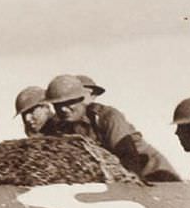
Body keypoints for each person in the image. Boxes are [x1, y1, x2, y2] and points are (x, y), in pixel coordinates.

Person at [41, 74, 180, 182]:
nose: (64, 109)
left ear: (82, 99)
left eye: (69, 102)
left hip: (154, 175)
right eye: (57, 105)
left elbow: (128, 157)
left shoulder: (107, 117)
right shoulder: (63, 127)